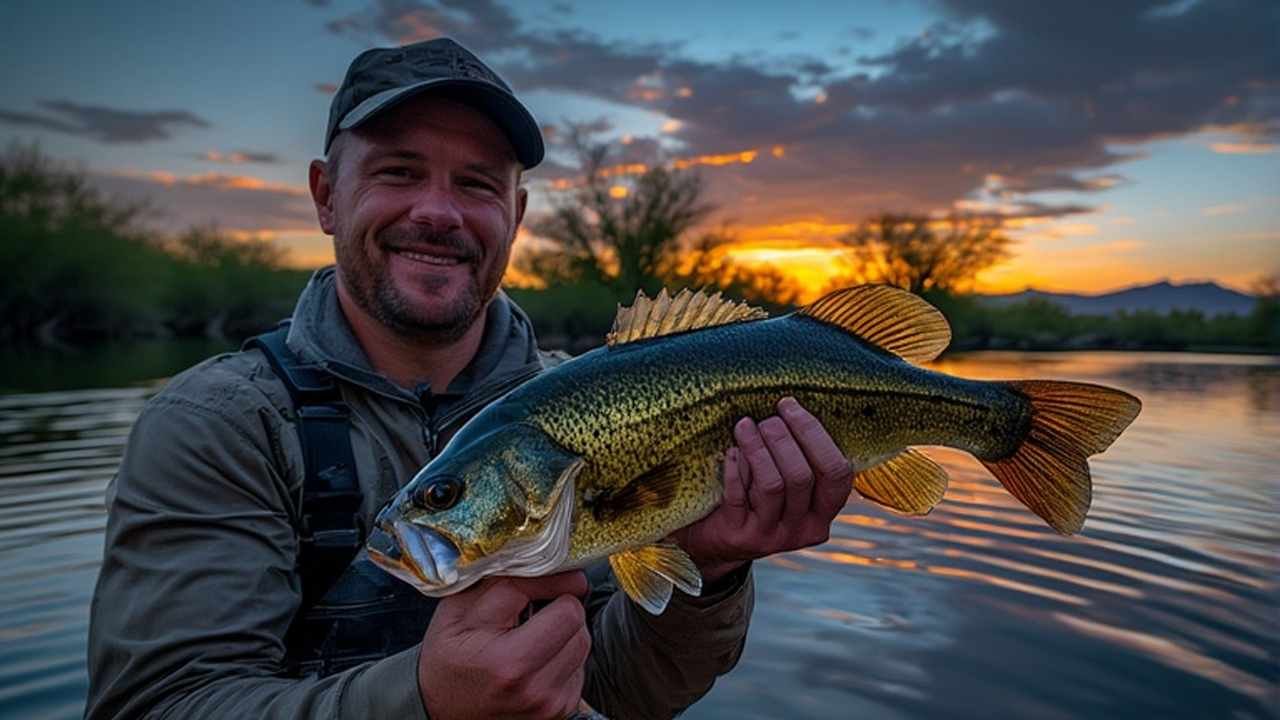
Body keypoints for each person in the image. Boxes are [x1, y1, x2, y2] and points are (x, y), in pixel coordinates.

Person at [84, 37, 854, 720]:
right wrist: (422, 703)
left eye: (478, 184)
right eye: (399, 170)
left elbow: (625, 696)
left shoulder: (586, 403)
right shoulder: (216, 424)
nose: (438, 211)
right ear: (326, 196)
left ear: (516, 214)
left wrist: (712, 570)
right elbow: (158, 703)